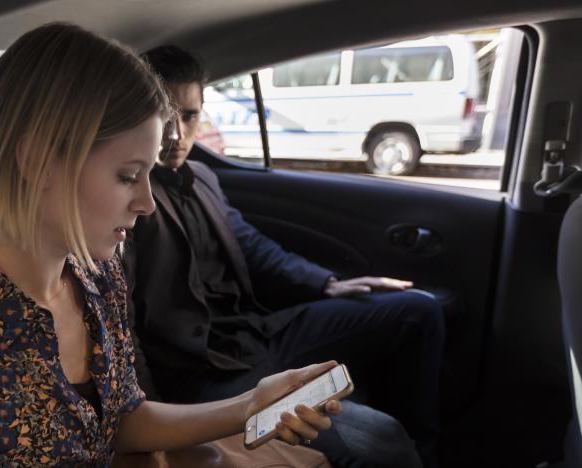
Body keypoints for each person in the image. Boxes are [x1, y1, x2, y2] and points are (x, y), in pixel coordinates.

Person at [0, 23, 342, 466]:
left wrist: (250, 404)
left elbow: (122, 419)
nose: (146, 202)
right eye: (127, 176)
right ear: (36, 160)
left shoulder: (96, 279)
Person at [125, 45, 446, 467]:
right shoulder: (129, 198)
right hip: (207, 371)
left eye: (190, 116)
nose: (176, 134)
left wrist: (328, 283)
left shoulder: (203, 177)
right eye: (166, 117)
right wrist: (155, 414)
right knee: (380, 440)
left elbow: (251, 244)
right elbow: (122, 319)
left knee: (417, 311)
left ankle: (428, 454)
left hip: (260, 332)